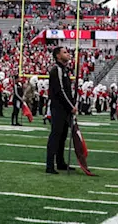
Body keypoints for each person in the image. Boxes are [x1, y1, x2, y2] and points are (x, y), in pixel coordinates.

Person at [46, 46, 75, 174]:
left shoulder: (64, 70)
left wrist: (72, 104)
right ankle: (50, 165)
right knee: (55, 135)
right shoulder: (56, 70)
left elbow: (68, 91)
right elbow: (61, 91)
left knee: (63, 135)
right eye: (64, 52)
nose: (68, 54)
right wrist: (71, 106)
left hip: (65, 109)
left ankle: (60, 162)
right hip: (58, 108)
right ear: (58, 56)